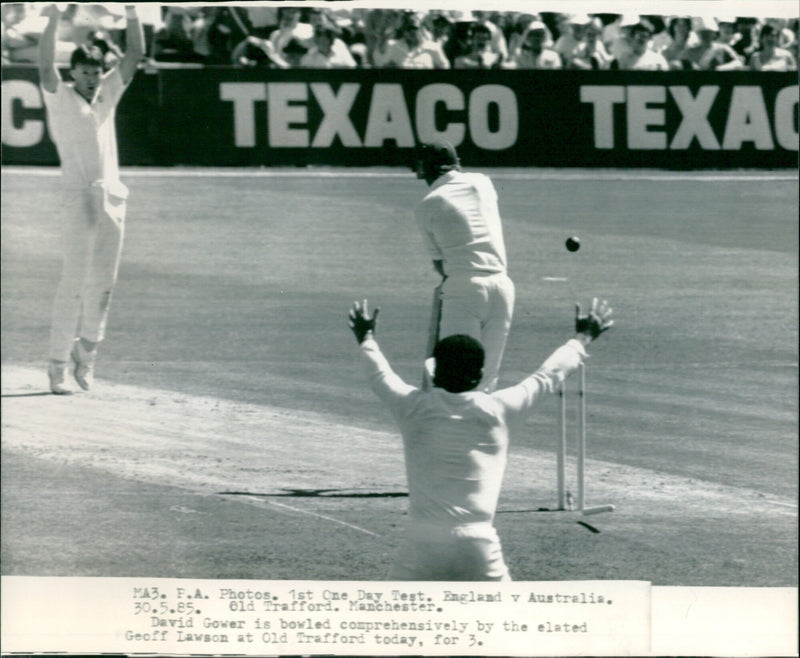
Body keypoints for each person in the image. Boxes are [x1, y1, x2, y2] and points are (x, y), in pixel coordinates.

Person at [348, 298, 614, 581]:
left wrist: (366, 336)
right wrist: (583, 337)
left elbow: (378, 373)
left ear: (435, 372)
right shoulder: (501, 408)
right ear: (479, 375)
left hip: (422, 541)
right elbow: (549, 375)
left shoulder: (412, 406)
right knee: (504, 623)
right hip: (478, 543)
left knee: (392, 620)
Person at [39, 4, 144, 394]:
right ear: (74, 74)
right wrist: (53, 20)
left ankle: (88, 355)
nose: (90, 80)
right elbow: (45, 66)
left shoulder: (108, 94)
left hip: (112, 198)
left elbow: (134, 55)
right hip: (78, 199)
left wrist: (132, 12)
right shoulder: (60, 97)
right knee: (74, 283)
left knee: (105, 284)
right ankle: (57, 364)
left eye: (95, 73)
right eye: (83, 74)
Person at [413, 140, 514, 393]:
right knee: (485, 381)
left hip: (463, 288)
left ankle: (441, 431)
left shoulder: (427, 206)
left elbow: (441, 267)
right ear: (456, 164)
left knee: (453, 377)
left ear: (426, 170)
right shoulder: (483, 183)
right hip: (503, 287)